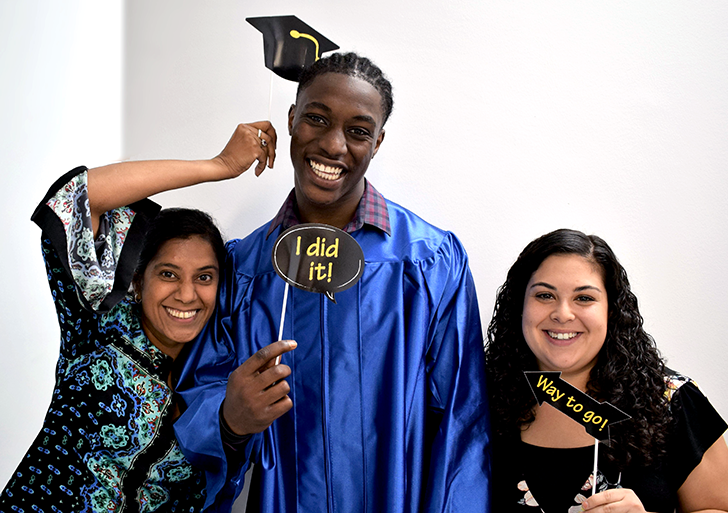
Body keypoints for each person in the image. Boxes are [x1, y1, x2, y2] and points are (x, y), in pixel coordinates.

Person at [174, 52, 492, 512]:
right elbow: (201, 390)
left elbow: (462, 421)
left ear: (378, 142)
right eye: (316, 119)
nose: (333, 145)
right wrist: (228, 419)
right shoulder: (244, 267)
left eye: (358, 131)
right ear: (290, 119)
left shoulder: (429, 261)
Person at [0, 122, 278, 512]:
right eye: (168, 274)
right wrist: (220, 165)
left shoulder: (215, 378)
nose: (186, 294)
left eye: (204, 277)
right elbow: (74, 199)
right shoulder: (98, 326)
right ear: (137, 279)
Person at [485, 228, 728, 513]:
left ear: (612, 310)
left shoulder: (671, 401)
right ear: (519, 306)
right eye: (545, 295)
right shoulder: (474, 400)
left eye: (584, 298)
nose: (562, 313)